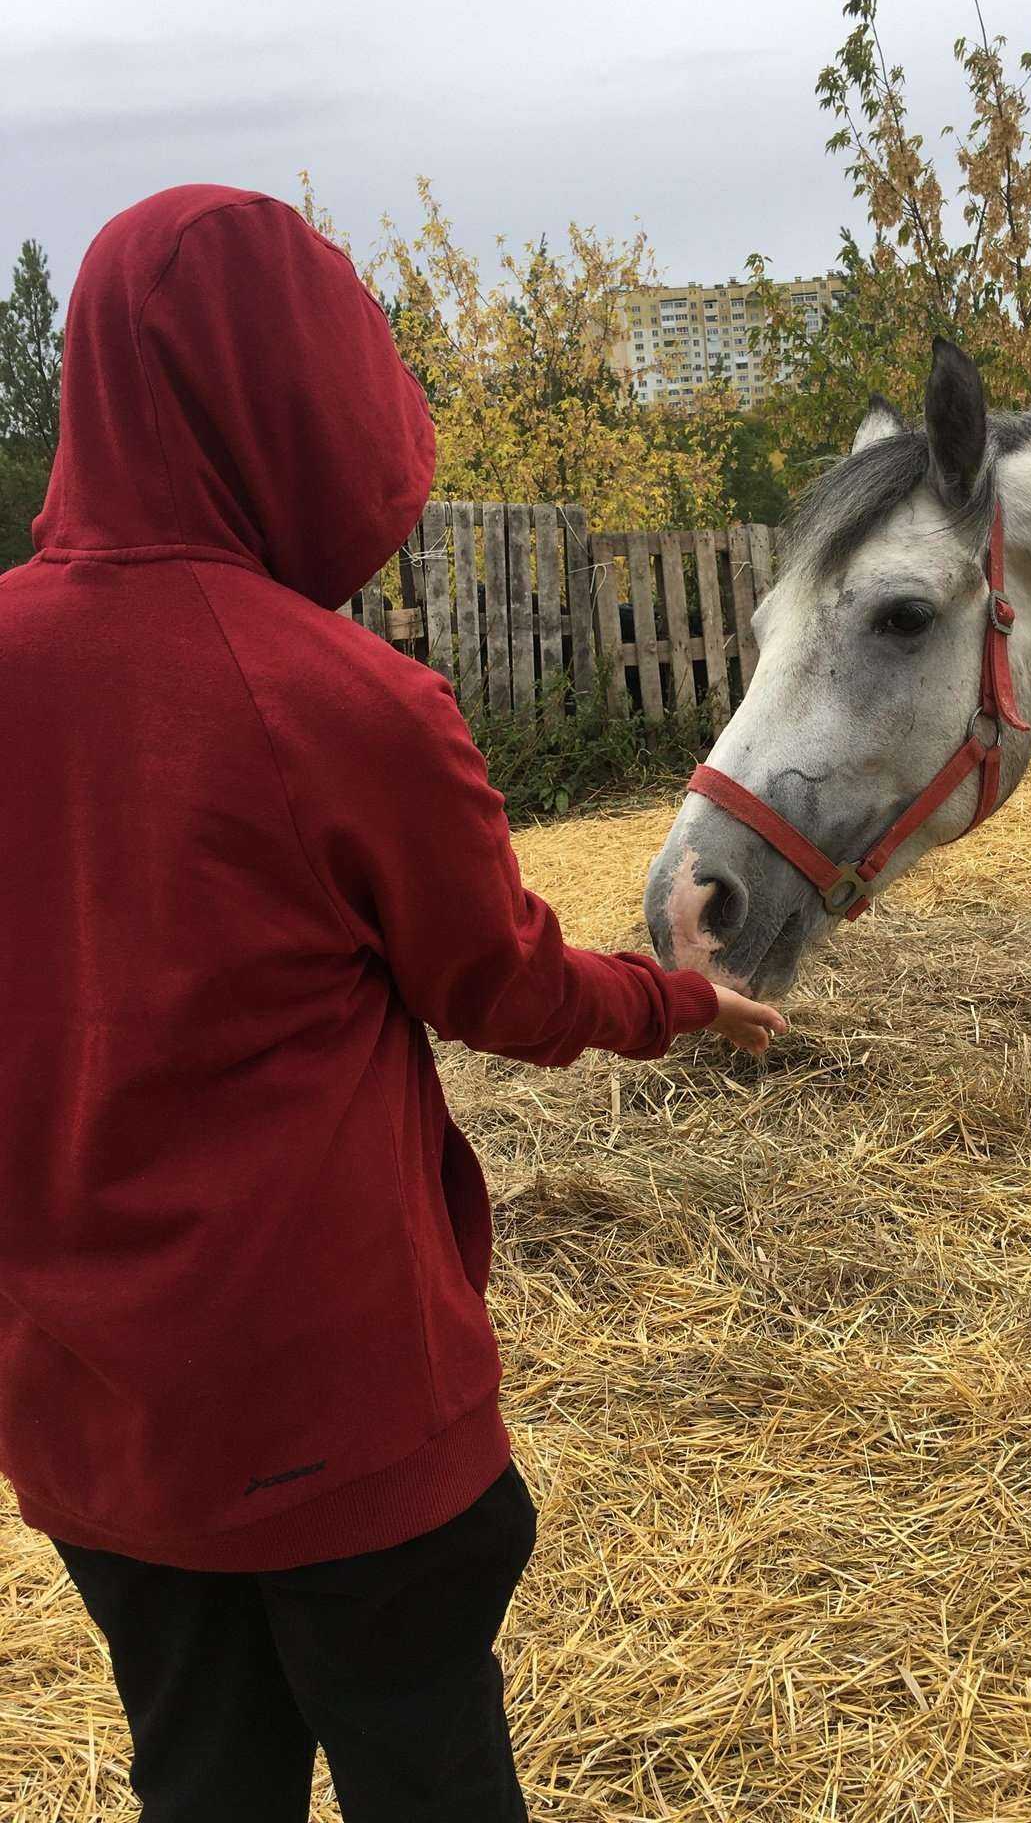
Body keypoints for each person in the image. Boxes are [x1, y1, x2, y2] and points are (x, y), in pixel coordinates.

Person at [0, 184, 786, 1823]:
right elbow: (506, 989)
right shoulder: (345, 704)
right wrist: (681, 1003)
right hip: (345, 1423)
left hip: (94, 1424)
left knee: (200, 1776)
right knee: (430, 1778)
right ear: (304, 393)